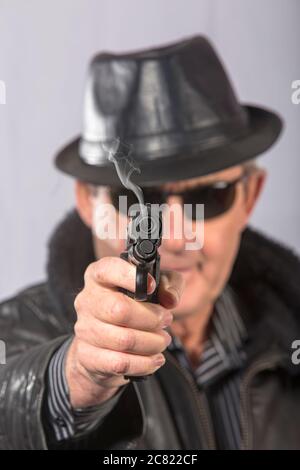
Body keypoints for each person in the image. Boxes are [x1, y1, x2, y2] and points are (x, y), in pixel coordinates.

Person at [1, 35, 300, 451]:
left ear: (249, 196)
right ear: (89, 202)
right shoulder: (15, 330)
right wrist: (76, 380)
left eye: (208, 196)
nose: (176, 235)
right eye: (139, 199)